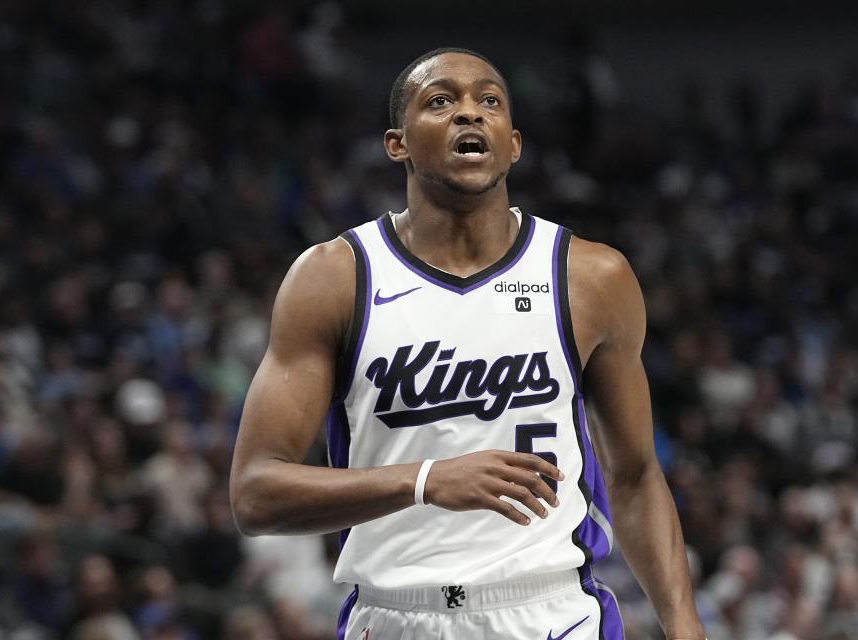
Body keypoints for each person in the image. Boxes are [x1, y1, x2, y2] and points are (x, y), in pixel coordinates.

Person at [230, 47, 705, 640]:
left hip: (552, 612)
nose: (469, 113)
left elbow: (634, 476)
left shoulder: (591, 277)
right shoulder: (334, 277)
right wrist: (427, 480)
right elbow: (255, 493)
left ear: (514, 144)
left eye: (489, 101)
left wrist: (685, 626)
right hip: (396, 614)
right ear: (396, 143)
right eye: (440, 101)